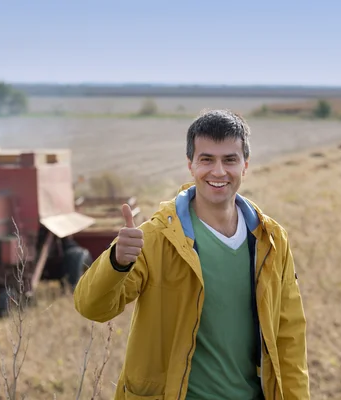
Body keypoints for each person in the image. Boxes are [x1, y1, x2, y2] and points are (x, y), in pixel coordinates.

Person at [73, 109, 310, 400]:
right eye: (207, 159)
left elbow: (290, 338)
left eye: (230, 160)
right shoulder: (156, 238)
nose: (219, 172)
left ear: (245, 166)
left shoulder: (271, 241)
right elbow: (92, 308)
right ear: (190, 165)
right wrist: (117, 262)